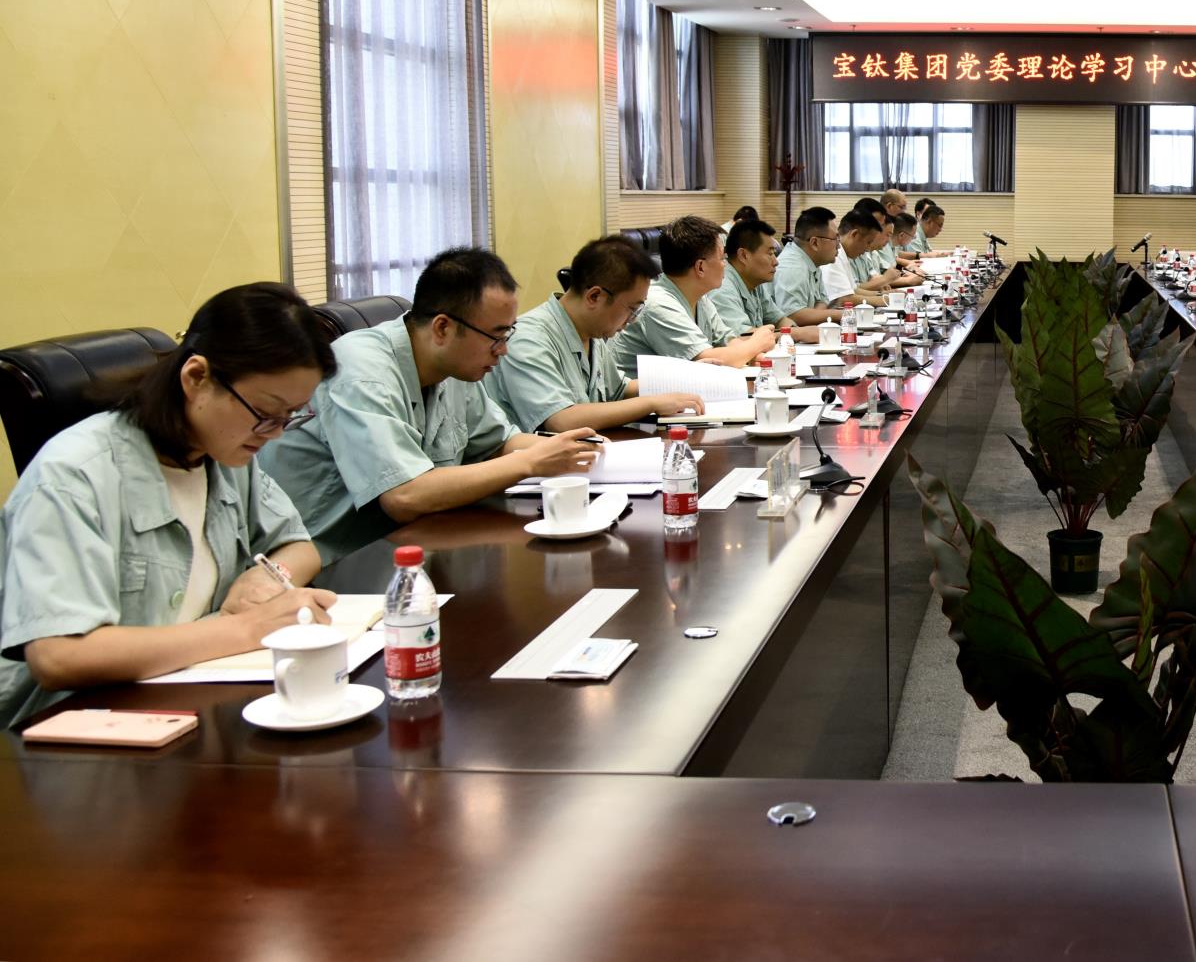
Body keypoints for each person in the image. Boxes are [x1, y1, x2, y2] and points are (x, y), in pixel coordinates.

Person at [1, 284, 342, 728]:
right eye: (265, 412)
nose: (275, 433)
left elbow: (300, 547)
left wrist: (266, 576)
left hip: (187, 704)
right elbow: (58, 656)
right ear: (196, 377)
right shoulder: (72, 475)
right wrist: (247, 628)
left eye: (290, 416)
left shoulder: (224, 454)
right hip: (73, 729)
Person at [261, 249, 602, 564]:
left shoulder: (454, 366)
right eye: (496, 337)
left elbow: (499, 441)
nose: (503, 350)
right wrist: (529, 462)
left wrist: (575, 450)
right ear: (442, 328)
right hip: (334, 562)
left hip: (414, 547)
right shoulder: (361, 372)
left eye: (507, 335)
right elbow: (404, 496)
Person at [485, 236, 706, 434]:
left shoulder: (592, 332)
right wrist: (651, 403)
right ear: (594, 297)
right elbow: (561, 420)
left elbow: (619, 390)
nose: (633, 319)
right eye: (632, 309)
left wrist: (685, 380)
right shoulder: (528, 339)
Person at [615, 216, 779, 376]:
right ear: (700, 267)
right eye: (722, 258)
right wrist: (756, 344)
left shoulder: (700, 297)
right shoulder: (659, 304)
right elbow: (706, 361)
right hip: (642, 393)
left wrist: (752, 355)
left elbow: (727, 340)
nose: (726, 265)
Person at [704, 217, 802, 341]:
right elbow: (743, 337)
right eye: (770, 254)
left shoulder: (753, 280)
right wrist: (797, 334)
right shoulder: (722, 287)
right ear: (743, 256)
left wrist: (795, 331)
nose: (776, 262)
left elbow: (779, 320)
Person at [770, 207, 848, 324]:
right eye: (835, 239)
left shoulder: (812, 261)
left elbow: (822, 300)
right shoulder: (792, 267)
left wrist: (813, 315)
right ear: (814, 243)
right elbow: (792, 315)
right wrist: (841, 314)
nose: (839, 245)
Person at [828, 209, 894, 305]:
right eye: (868, 242)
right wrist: (886, 300)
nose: (867, 249)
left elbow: (853, 290)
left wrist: (883, 294)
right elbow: (843, 299)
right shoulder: (834, 255)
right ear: (854, 234)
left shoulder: (844, 254)